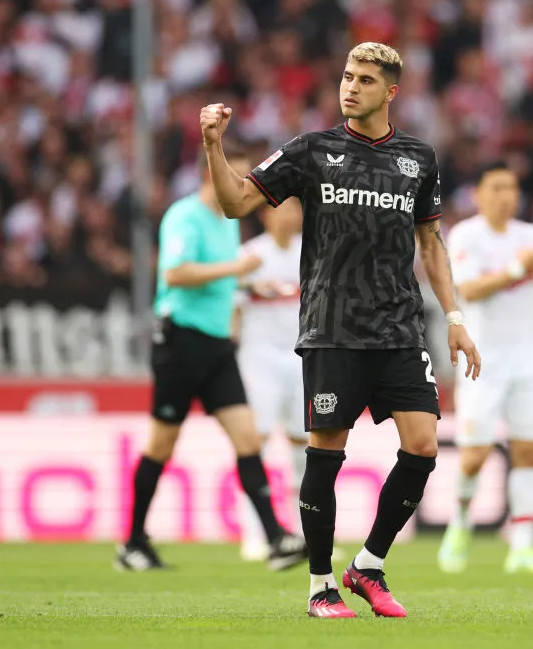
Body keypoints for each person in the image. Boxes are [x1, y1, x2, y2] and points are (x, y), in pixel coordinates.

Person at [198, 42, 481, 619]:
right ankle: (320, 586)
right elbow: (235, 204)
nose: (350, 87)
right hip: (332, 329)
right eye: (348, 77)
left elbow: (430, 242)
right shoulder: (311, 150)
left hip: (399, 327)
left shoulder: (418, 158)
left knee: (423, 446)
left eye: (365, 80)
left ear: (391, 91)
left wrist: (454, 317)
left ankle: (368, 565)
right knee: (325, 455)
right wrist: (213, 146)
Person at [116, 142, 309, 573]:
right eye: (235, 177)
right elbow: (175, 273)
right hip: (181, 342)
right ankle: (132, 542)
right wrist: (237, 271)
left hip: (218, 347)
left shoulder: (226, 221)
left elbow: (219, 278)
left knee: (248, 439)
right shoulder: (185, 216)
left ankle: (275, 539)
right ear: (211, 175)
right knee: (161, 444)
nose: (241, 185)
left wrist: (250, 287)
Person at [437, 162, 533, 574]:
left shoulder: (532, 236)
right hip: (482, 362)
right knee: (475, 455)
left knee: (527, 449)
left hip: (529, 360)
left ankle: (522, 546)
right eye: (496, 187)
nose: (505, 195)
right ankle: (460, 522)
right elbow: (470, 289)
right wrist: (516, 269)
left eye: (510, 187)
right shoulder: (467, 235)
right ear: (478, 194)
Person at [235, 199, 345, 565]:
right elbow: (233, 306)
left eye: (296, 209)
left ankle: (307, 535)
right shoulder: (250, 255)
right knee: (257, 444)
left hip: (304, 360)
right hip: (259, 361)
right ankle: (257, 534)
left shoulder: (313, 251)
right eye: (282, 208)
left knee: (305, 448)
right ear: (265, 214)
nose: (290, 216)